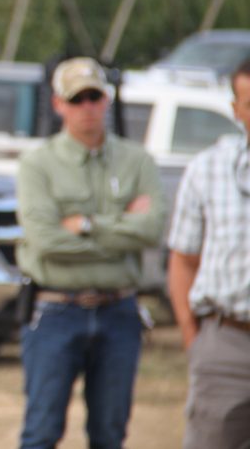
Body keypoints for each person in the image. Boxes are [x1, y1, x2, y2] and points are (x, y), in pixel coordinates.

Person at [15, 56, 166, 449]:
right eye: (77, 98)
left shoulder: (137, 161)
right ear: (58, 104)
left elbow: (152, 230)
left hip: (119, 312)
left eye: (94, 96)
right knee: (42, 431)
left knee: (109, 434)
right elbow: (46, 241)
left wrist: (86, 225)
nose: (87, 107)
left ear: (107, 100)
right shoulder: (37, 165)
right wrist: (120, 230)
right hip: (55, 311)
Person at [168, 58, 250, 448]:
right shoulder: (208, 169)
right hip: (228, 343)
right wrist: (194, 338)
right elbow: (183, 260)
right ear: (236, 110)